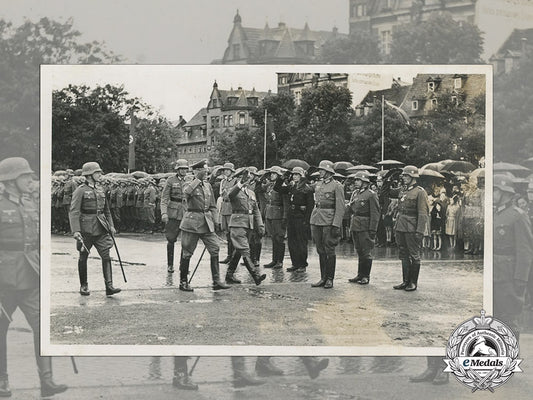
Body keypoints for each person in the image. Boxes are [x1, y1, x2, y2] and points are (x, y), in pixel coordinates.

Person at [0, 157, 68, 398]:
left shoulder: (29, 204)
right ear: (10, 180)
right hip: (4, 280)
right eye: (24, 176)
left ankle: (47, 382)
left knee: (42, 328)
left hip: (30, 276)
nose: (30, 179)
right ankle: (2, 381)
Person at [69, 162, 121, 297]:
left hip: (101, 228)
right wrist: (76, 230)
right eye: (97, 173)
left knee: (106, 256)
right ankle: (84, 285)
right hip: (86, 229)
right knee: (83, 256)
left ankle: (109, 286)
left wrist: (111, 225)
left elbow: (107, 210)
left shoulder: (100, 189)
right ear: (89, 175)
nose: (100, 175)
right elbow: (74, 211)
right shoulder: (80, 190)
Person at [178, 160, 230, 292]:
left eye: (206, 171)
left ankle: (216, 280)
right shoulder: (188, 183)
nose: (206, 173)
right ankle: (183, 281)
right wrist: (197, 179)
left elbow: (212, 205)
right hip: (192, 222)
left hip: (207, 223)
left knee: (215, 248)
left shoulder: (207, 186)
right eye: (203, 171)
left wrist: (216, 220)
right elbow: (186, 193)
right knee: (187, 252)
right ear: (195, 171)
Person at [493, 174, 533, 339]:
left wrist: (521, 280)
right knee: (494, 321)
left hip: (508, 278)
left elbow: (525, 251)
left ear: (505, 192)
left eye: (494, 190)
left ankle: (511, 361)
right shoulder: (494, 214)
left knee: (509, 321)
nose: (491, 194)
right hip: (494, 276)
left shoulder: (518, 215)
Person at [224, 167, 267, 285]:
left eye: (248, 178)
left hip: (249, 224)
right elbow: (229, 196)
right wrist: (239, 184)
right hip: (237, 224)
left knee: (239, 250)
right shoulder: (234, 190)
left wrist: (260, 225)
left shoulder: (251, 193)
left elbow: (256, 210)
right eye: (245, 178)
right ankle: (255, 276)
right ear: (239, 178)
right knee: (244, 249)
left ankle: (229, 275)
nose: (247, 180)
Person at [392, 165, 429, 292]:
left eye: (406, 176)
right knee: (403, 254)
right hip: (401, 226)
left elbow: (423, 213)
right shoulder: (403, 190)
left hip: (412, 227)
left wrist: (420, 231)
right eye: (403, 176)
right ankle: (405, 281)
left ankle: (413, 282)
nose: (404, 178)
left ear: (413, 177)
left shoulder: (420, 192)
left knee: (414, 255)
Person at [310, 160, 346, 289]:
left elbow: (340, 207)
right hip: (317, 219)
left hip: (329, 220)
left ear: (329, 172)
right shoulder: (318, 184)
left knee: (329, 249)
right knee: (320, 249)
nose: (319, 171)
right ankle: (323, 277)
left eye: (322, 170)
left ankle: (330, 278)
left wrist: (336, 224)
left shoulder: (337, 186)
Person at [274, 167, 314, 272]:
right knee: (292, 241)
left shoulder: (307, 189)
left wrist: (307, 220)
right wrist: (283, 177)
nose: (295, 176)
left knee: (301, 241)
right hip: (291, 216)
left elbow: (310, 206)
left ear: (302, 176)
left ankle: (302, 264)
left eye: (297, 175)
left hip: (301, 217)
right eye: (294, 175)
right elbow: (277, 188)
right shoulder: (291, 186)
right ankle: (295, 263)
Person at [347, 171, 380, 285]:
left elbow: (375, 213)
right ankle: (360, 274)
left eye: (358, 180)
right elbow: (352, 209)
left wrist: (373, 229)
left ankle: (366, 276)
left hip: (365, 226)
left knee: (366, 252)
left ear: (365, 183)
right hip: (355, 225)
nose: (356, 182)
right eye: (355, 180)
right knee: (359, 251)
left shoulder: (371, 194)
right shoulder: (355, 193)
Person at [160, 159, 189, 273]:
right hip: (173, 212)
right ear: (177, 169)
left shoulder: (190, 180)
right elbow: (164, 198)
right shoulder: (171, 180)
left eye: (185, 169)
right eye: (181, 169)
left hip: (186, 212)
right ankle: (170, 264)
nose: (183, 171)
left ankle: (183, 266)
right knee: (171, 239)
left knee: (186, 242)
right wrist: (164, 213)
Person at [262, 166, 289, 269]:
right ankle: (274, 260)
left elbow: (285, 203)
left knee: (279, 238)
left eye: (274, 174)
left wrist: (285, 217)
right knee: (273, 238)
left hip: (278, 214)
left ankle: (279, 261)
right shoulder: (270, 185)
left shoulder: (282, 186)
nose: (271, 175)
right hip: (270, 213)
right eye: (271, 173)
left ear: (278, 175)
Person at [219, 162, 237, 264]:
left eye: (227, 170)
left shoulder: (235, 181)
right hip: (224, 207)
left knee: (232, 234)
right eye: (224, 170)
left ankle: (233, 256)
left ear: (232, 171)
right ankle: (229, 255)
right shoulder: (223, 181)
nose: (226, 171)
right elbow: (221, 194)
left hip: (231, 208)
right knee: (226, 232)